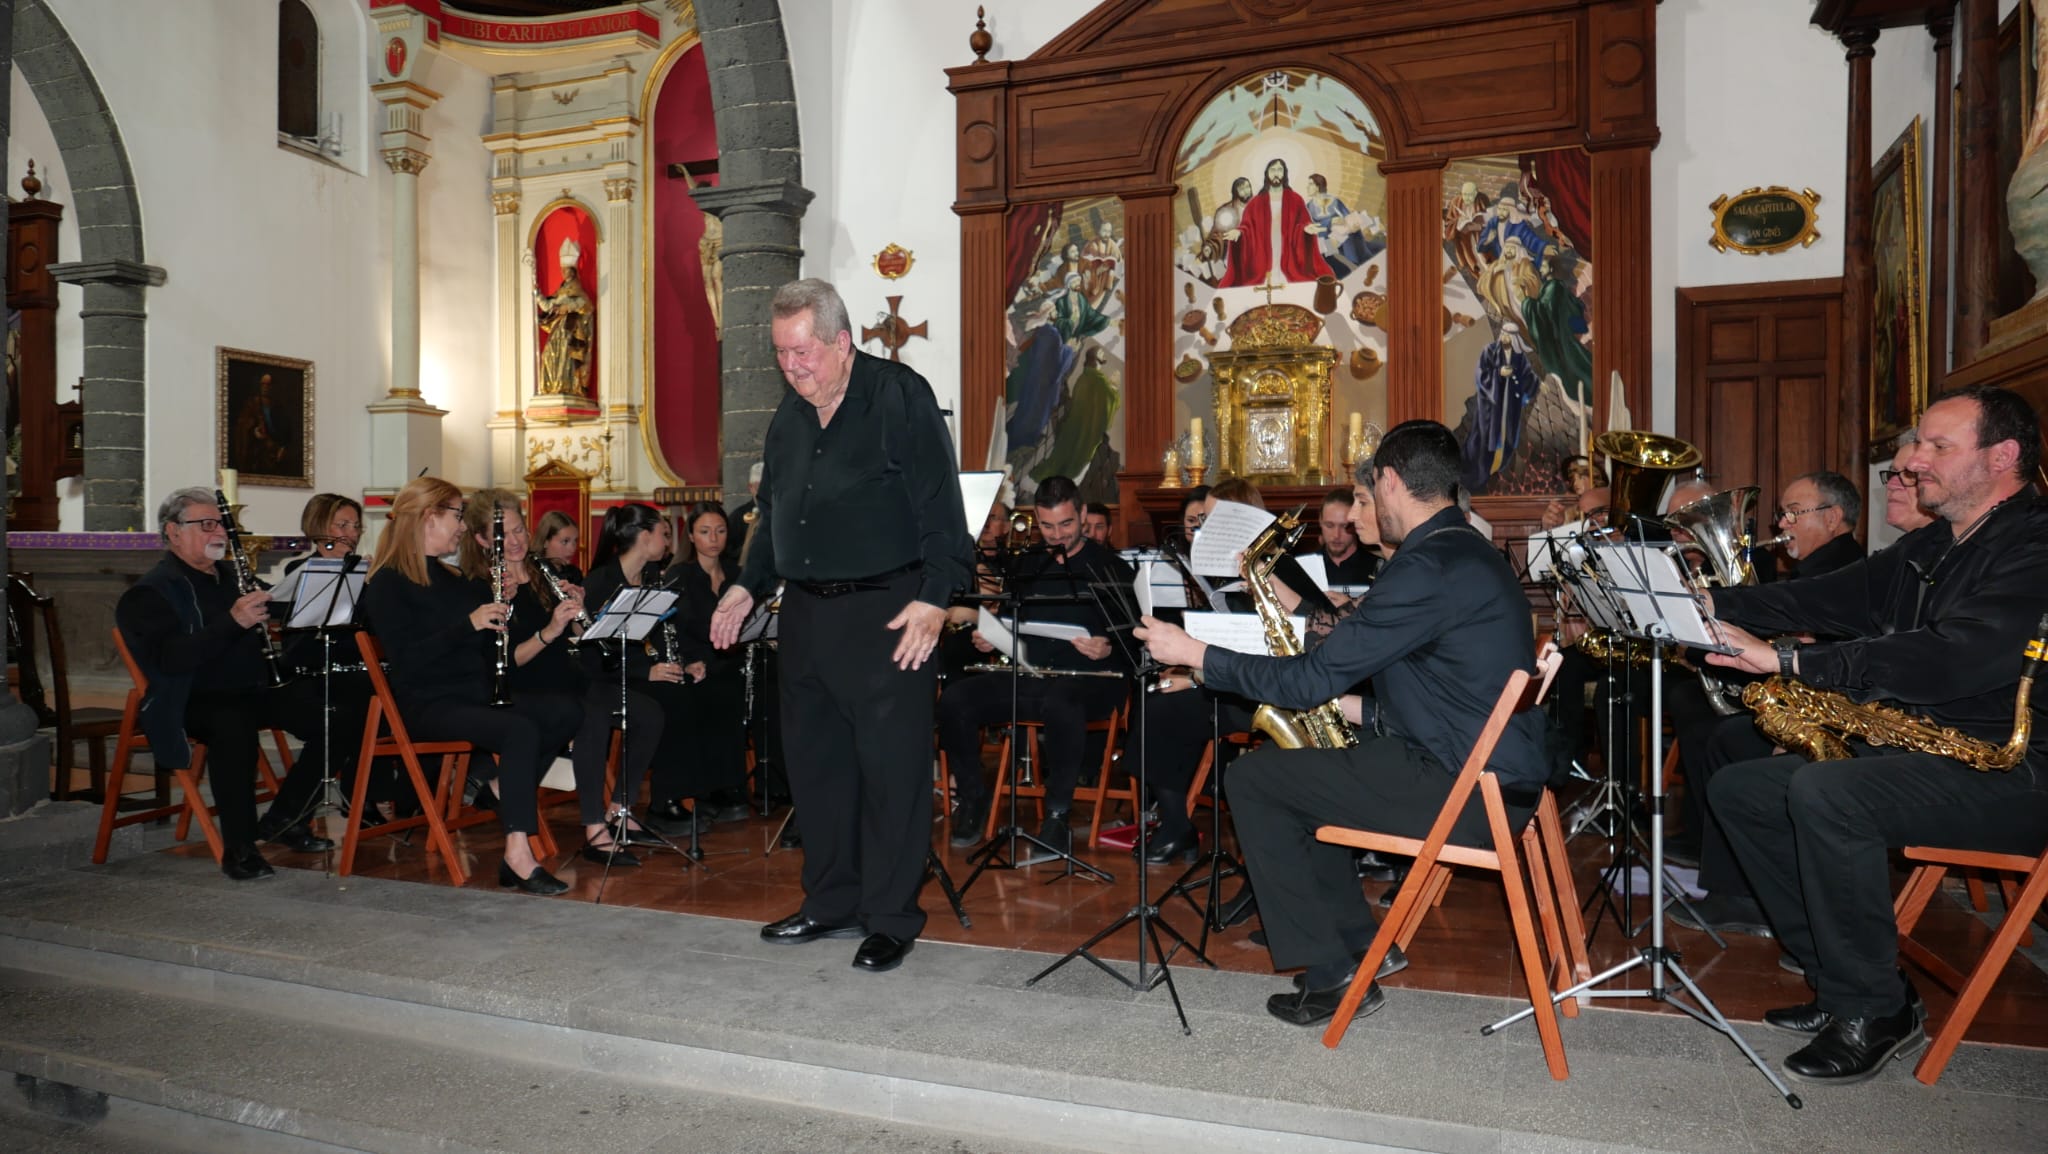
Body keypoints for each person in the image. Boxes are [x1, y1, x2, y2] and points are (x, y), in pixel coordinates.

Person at [1138, 421, 1545, 1027]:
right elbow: (1448, 688)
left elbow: (1308, 680)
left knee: (1255, 781)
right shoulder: (1464, 551)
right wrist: (1357, 709)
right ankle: (1359, 946)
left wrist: (1197, 654)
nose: (1365, 509)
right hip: (1490, 775)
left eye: (1369, 493)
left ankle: (1329, 974)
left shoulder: (1424, 566)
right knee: (1302, 778)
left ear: (1389, 481)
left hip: (1463, 791)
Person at [1700, 385, 2048, 1085]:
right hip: (1926, 750)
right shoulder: (1936, 542)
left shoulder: (2035, 544)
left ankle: (1873, 1009)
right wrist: (1708, 602)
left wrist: (1793, 659)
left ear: (2002, 456)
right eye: (1918, 443)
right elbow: (1821, 597)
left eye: (1936, 446)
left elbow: (1955, 656)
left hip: (2014, 771)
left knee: (1832, 795)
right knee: (1742, 789)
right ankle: (1843, 984)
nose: (1914, 461)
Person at [710, 278, 973, 975]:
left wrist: (935, 597)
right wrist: (744, 584)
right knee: (818, 770)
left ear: (841, 342)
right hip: (805, 614)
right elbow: (775, 521)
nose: (792, 369)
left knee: (892, 773)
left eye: (803, 354)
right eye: (780, 355)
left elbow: (944, 511)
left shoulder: (898, 397)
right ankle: (830, 902)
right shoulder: (789, 419)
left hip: (890, 612)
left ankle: (889, 917)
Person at [360, 477, 583, 894]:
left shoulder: (453, 577)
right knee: (519, 729)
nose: (462, 527)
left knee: (565, 710)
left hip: (472, 694)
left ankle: (500, 790)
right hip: (428, 703)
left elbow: (484, 644)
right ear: (429, 518)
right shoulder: (387, 583)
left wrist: (508, 604)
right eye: (457, 516)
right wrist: (469, 623)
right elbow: (408, 660)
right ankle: (518, 854)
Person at [114, 487, 346, 880]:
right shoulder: (151, 592)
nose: (218, 532)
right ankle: (239, 850)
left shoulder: (230, 575)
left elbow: (278, 607)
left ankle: (287, 816)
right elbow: (170, 661)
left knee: (335, 716)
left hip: (251, 687)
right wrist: (233, 622)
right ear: (173, 532)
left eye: (220, 523)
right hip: (191, 697)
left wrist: (327, 587)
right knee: (234, 726)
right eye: (205, 525)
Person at [456, 489, 661, 866]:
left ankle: (620, 807)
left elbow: (579, 639)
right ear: (483, 540)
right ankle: (594, 831)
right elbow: (509, 661)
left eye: (521, 530)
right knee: (590, 715)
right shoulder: (478, 586)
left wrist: (581, 616)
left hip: (567, 678)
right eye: (507, 535)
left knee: (648, 712)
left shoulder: (543, 571)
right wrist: (551, 629)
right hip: (521, 688)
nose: (518, 542)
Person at [937, 475, 1133, 852]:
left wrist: (1108, 647)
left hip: (1094, 679)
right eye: (1047, 526)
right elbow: (1016, 626)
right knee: (956, 699)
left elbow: (1137, 641)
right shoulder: (1029, 565)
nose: (1057, 535)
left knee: (1063, 701)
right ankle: (974, 799)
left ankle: (1057, 816)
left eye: (1066, 524)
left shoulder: (1112, 568)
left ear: (1081, 514)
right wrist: (992, 636)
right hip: (1032, 675)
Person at [583, 503, 736, 830]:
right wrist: (647, 672)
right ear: (643, 536)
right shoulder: (601, 581)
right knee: (673, 702)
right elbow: (597, 654)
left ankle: (691, 793)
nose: (668, 543)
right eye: (663, 535)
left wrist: (683, 664)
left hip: (643, 673)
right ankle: (663, 801)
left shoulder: (652, 577)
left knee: (693, 690)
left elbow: (665, 635)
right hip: (611, 678)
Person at [663, 503, 752, 822]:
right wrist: (688, 662)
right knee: (707, 690)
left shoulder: (737, 574)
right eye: (705, 531)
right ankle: (706, 789)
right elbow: (675, 627)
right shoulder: (680, 574)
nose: (714, 538)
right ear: (692, 536)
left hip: (730, 660)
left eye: (720, 530)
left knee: (738, 687)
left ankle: (730, 785)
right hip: (694, 661)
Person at [1218, 158, 1334, 288]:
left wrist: (1306, 228)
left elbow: (1303, 221)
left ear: (1284, 174)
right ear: (1267, 174)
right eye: (1272, 170)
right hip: (1263, 252)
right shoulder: (1255, 202)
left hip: (1288, 250)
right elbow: (1247, 226)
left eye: (1280, 170)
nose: (1276, 173)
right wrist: (1239, 232)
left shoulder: (1295, 199)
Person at [536, 238, 594, 397]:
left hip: (570, 329)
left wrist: (567, 307)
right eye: (562, 270)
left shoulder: (576, 288)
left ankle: (565, 386)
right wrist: (537, 293)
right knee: (548, 354)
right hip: (558, 328)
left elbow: (585, 304)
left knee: (565, 357)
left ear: (572, 270)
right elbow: (548, 306)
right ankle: (552, 387)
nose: (563, 273)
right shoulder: (561, 289)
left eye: (566, 270)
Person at [1307, 487, 1379, 587]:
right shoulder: (1304, 567)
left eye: (1345, 526)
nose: (1336, 535)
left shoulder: (1378, 567)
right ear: (1320, 521)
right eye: (1329, 525)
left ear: (1356, 524)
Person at [725, 462, 763, 565]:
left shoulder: (781, 515)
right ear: (750, 487)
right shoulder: (738, 516)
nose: (764, 492)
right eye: (759, 486)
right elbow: (727, 553)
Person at [534, 509, 583, 584]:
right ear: (545, 541)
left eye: (575, 541)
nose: (572, 549)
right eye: (565, 541)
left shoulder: (574, 574)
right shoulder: (532, 572)